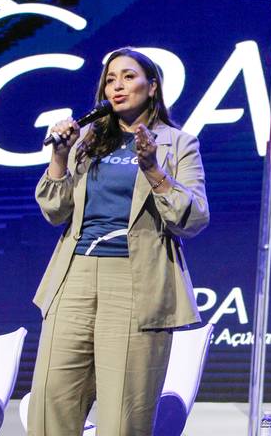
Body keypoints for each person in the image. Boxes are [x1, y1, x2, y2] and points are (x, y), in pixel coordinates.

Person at [28, 47, 209, 435]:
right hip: (73, 275)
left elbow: (191, 217)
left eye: (128, 76)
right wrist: (59, 157)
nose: (117, 86)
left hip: (135, 281)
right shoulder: (87, 141)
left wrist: (153, 169)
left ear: (153, 86)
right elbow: (54, 211)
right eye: (110, 79)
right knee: (50, 399)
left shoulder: (178, 143)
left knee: (123, 413)